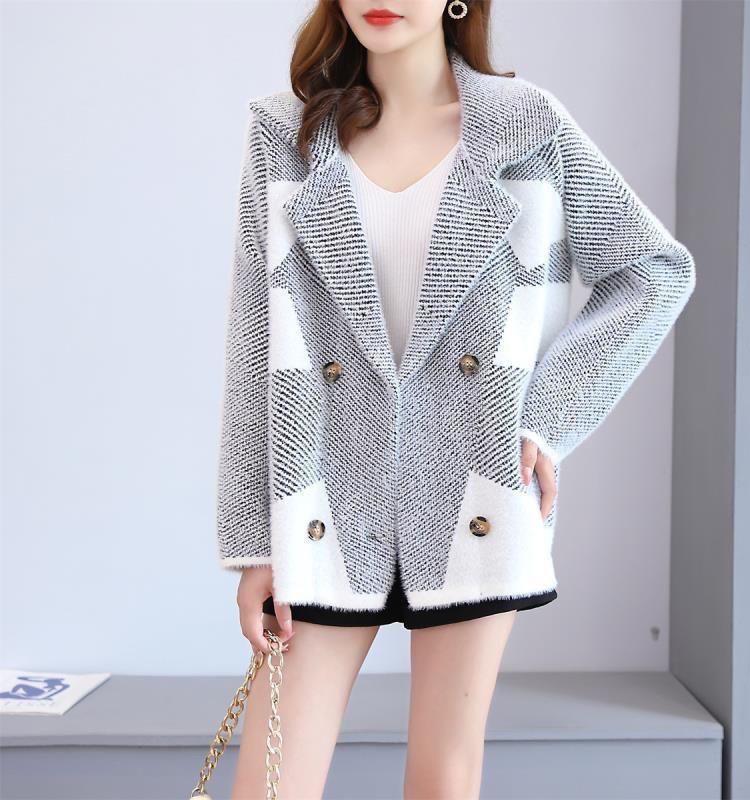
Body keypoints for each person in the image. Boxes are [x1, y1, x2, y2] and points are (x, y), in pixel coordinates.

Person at [216, 1, 697, 797]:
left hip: (475, 488)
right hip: (321, 491)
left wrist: (547, 417)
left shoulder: (526, 126)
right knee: (271, 783)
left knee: (443, 777)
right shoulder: (285, 134)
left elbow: (653, 272)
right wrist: (252, 545)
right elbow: (253, 342)